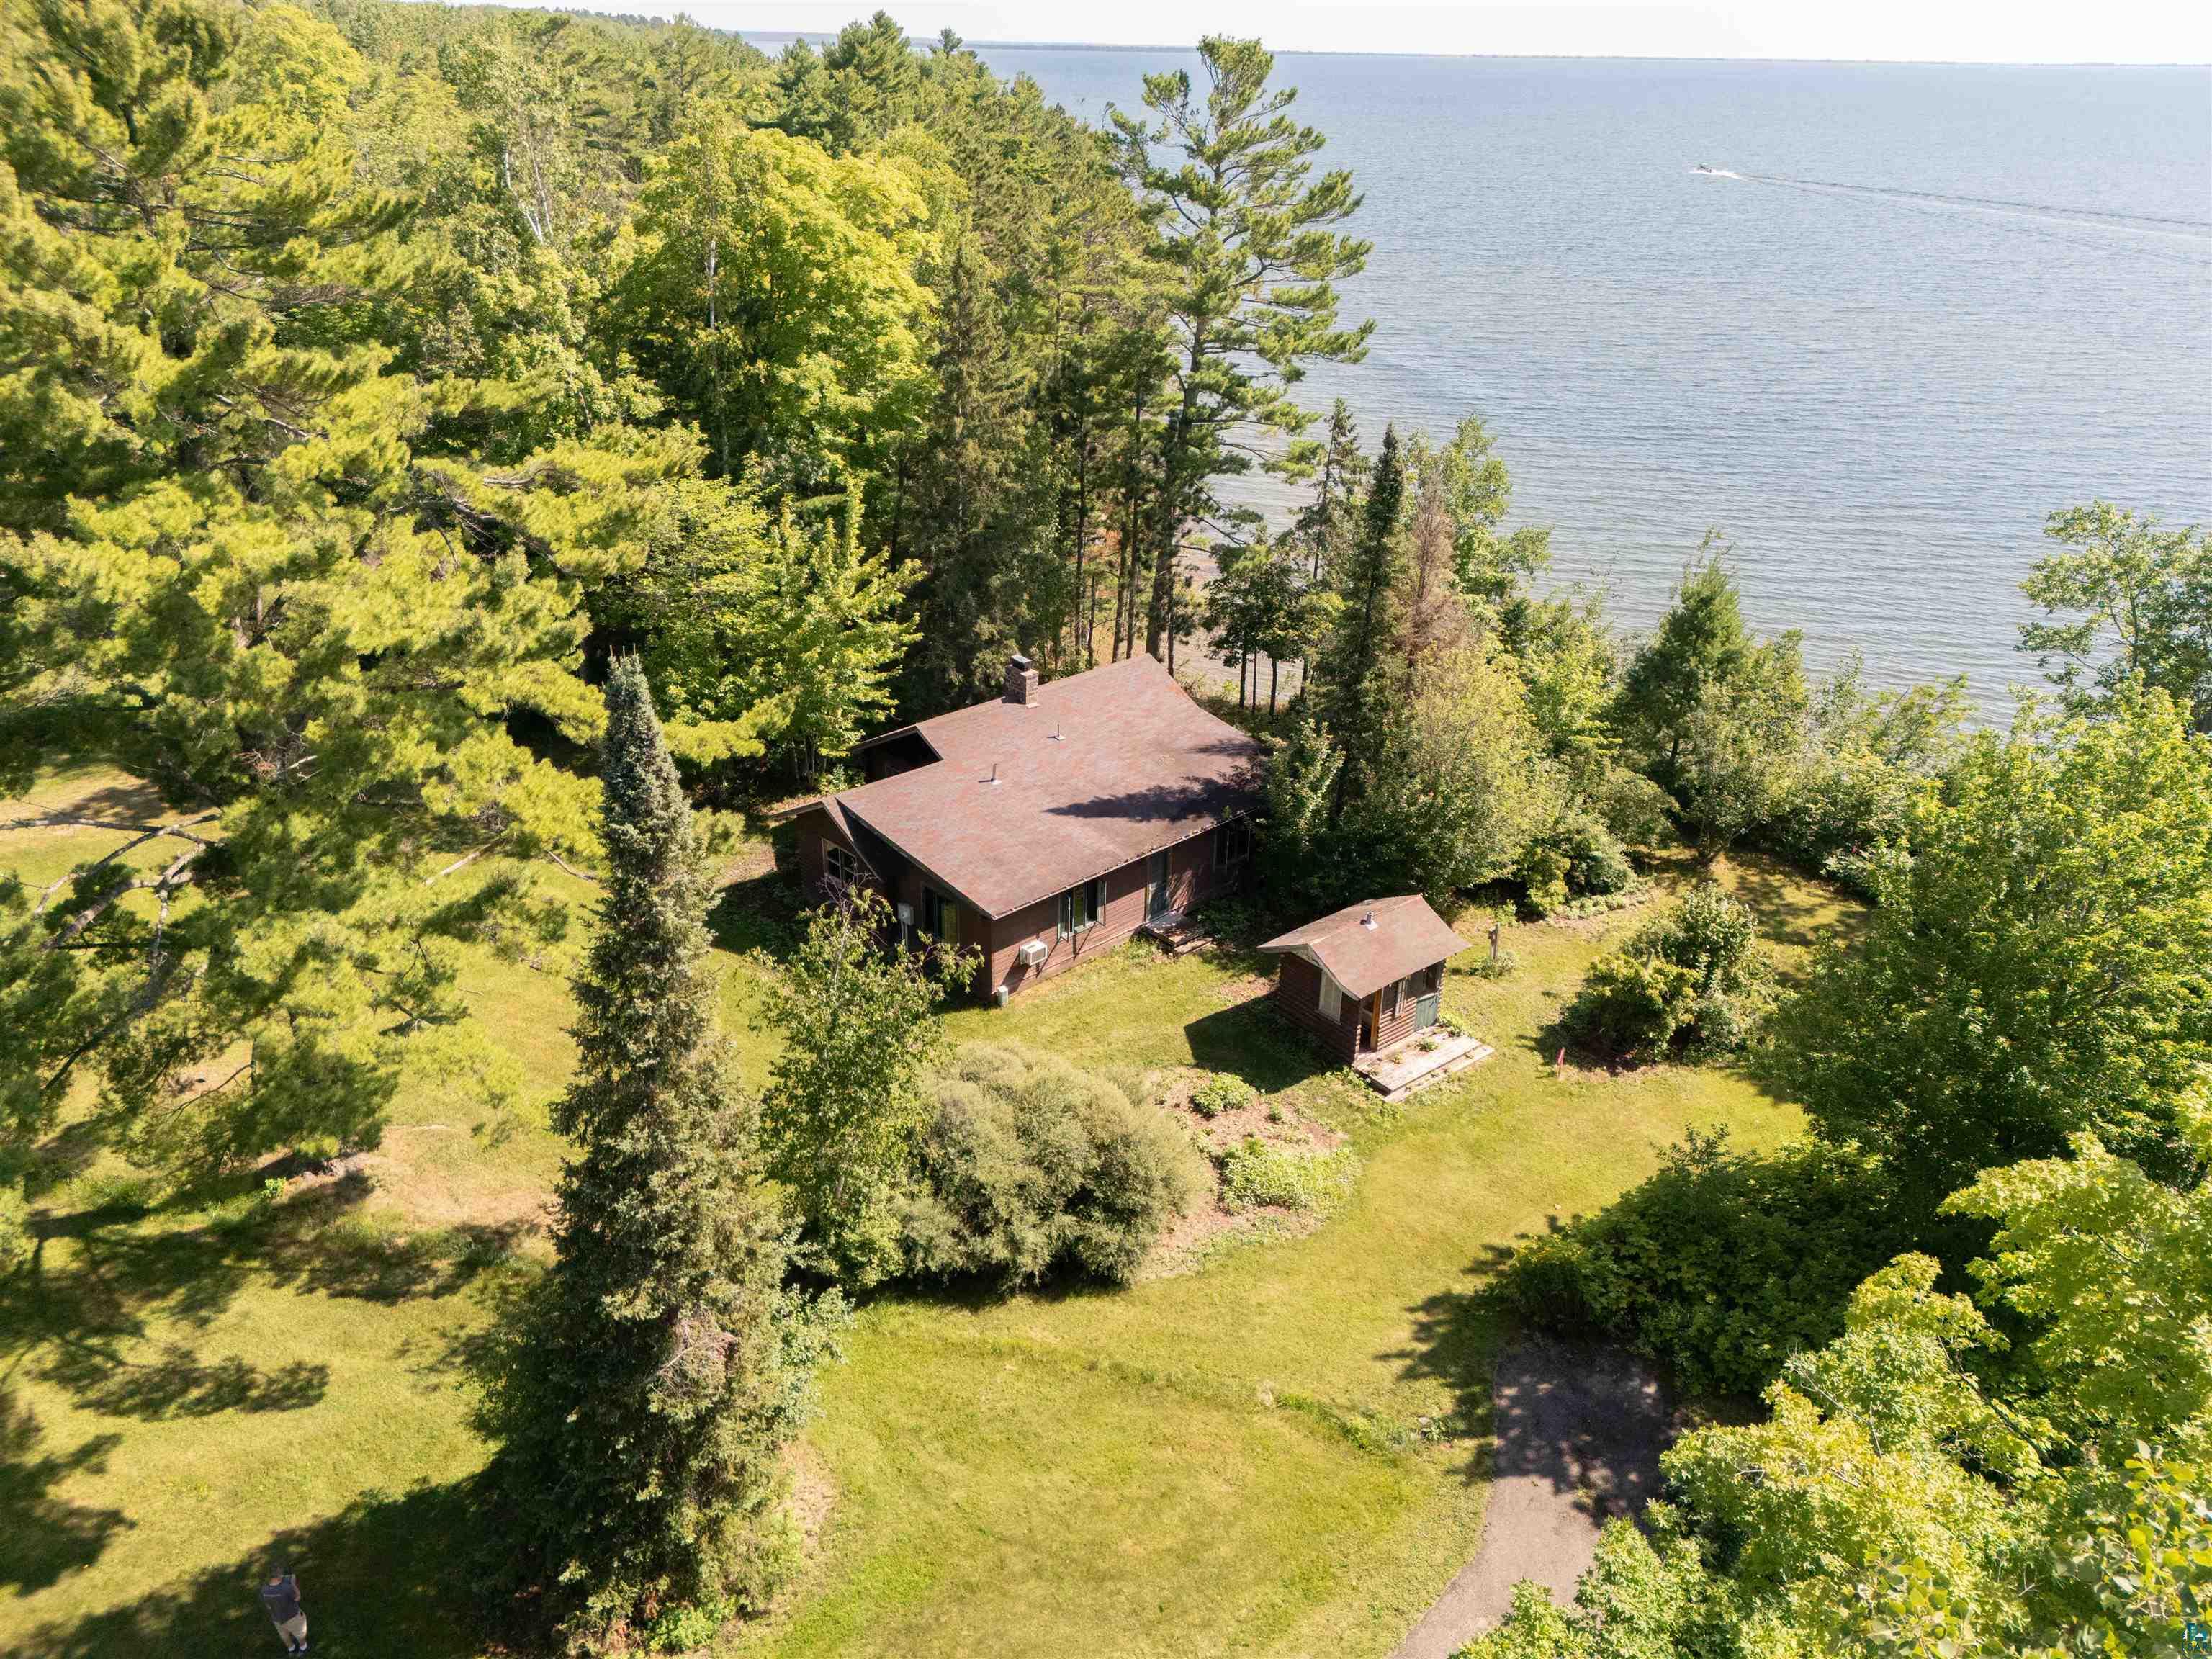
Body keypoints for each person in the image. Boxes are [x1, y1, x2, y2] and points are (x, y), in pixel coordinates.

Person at [259, 1568, 308, 1653]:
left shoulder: (264, 1589)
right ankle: (303, 1648)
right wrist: (293, 1584)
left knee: (284, 1636)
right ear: (279, 1575)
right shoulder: (286, 1588)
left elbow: (268, 1606)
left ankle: (291, 1649)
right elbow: (297, 1598)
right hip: (292, 1617)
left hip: (277, 1619)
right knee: (300, 1633)